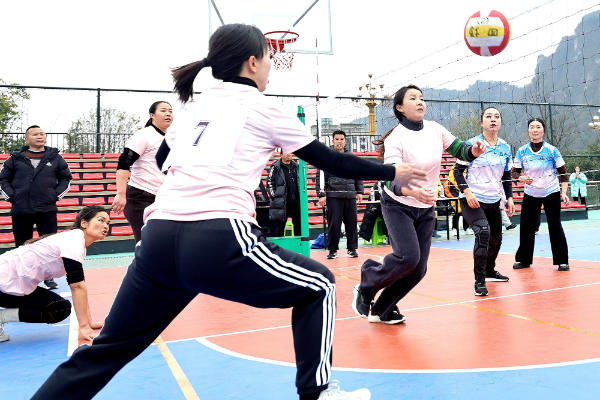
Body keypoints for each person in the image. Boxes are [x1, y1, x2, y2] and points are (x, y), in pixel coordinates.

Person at [32, 23, 427, 400]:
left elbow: (165, 158)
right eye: (268, 57)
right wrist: (392, 171)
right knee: (320, 285)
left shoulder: (192, 110)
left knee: (108, 349)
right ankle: (317, 391)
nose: (271, 65)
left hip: (158, 239)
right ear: (252, 63)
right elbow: (333, 161)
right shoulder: (265, 109)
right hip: (217, 236)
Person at [352, 85, 486, 325]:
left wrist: (473, 151)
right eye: (412, 98)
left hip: (425, 206)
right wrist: (412, 191)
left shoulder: (435, 129)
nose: (420, 102)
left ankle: (382, 309)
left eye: (422, 98)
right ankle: (368, 279)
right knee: (408, 257)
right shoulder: (396, 138)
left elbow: (460, 150)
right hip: (398, 204)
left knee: (418, 270)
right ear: (400, 108)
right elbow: (391, 178)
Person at [0, 205, 109, 342]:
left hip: (12, 285)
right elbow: (77, 286)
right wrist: (84, 326)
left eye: (108, 223)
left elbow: (80, 286)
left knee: (59, 308)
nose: (106, 226)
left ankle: (2, 317)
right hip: (3, 282)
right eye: (101, 220)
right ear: (84, 223)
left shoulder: (76, 242)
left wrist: (89, 321)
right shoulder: (73, 240)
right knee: (60, 308)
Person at [0, 125, 72, 290]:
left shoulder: (55, 157)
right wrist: (12, 196)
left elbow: (66, 178)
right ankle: (19, 277)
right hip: (21, 208)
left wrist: (55, 196)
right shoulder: (14, 158)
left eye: (42, 134)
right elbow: (3, 179)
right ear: (27, 139)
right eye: (35, 134)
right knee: (21, 246)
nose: (39, 136)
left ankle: (49, 278)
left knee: (48, 245)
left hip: (46, 208)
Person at [453, 107, 514, 296]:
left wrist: (509, 197)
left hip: (494, 200)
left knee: (497, 238)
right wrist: (467, 192)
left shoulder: (505, 147)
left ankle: (489, 271)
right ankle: (479, 281)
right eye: (488, 116)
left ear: (500, 122)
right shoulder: (471, 144)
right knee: (483, 233)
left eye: (496, 116)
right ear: (481, 122)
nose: (493, 119)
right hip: (472, 200)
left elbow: (506, 175)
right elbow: (457, 172)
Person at [512, 118, 570, 271]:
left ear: (543, 130)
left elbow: (564, 174)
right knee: (526, 226)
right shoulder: (522, 151)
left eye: (538, 127)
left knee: (555, 225)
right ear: (528, 131)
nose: (535, 130)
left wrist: (564, 193)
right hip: (531, 192)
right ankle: (523, 259)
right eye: (532, 127)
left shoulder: (552, 150)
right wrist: (521, 178)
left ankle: (562, 260)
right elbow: (514, 173)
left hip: (551, 191)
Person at [111, 101, 173, 243]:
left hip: (163, 197)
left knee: (165, 242)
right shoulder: (144, 135)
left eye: (170, 111)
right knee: (147, 243)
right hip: (141, 197)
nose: (168, 114)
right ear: (152, 115)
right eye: (163, 110)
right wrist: (121, 194)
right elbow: (124, 162)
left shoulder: (172, 137)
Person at [316, 130, 363, 259]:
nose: (339, 141)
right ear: (333, 141)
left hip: (350, 195)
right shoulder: (326, 157)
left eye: (341, 139)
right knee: (334, 225)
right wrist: (321, 194)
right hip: (333, 196)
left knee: (352, 224)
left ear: (345, 141)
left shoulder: (352, 157)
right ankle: (333, 250)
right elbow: (320, 177)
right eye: (337, 139)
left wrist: (359, 191)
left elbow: (358, 174)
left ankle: (352, 249)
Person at [267, 153, 302, 236]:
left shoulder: (297, 167)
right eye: (286, 153)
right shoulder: (275, 167)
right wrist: (275, 197)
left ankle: (298, 244)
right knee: (280, 228)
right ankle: (279, 245)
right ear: (281, 155)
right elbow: (269, 183)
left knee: (299, 227)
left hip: (296, 203)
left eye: (290, 153)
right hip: (281, 203)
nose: (288, 155)